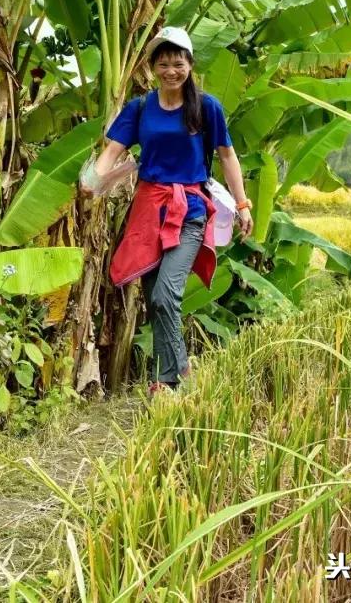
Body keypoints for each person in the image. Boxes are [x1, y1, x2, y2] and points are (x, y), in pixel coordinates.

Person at [81, 26, 253, 397]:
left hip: (189, 209)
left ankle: (168, 380)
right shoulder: (140, 108)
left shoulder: (207, 108)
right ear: (153, 67)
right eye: (163, 63)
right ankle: (179, 371)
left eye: (178, 63)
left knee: (165, 295)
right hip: (147, 212)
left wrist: (242, 204)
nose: (171, 70)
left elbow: (227, 156)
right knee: (153, 297)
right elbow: (113, 150)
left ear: (190, 64)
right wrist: (92, 181)